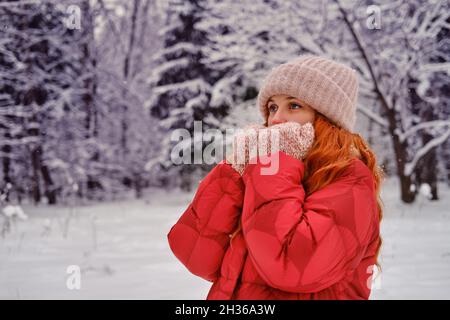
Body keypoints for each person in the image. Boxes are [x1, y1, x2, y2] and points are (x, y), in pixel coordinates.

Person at [167, 55, 384, 300]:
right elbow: (196, 256)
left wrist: (273, 163)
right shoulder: (263, 173)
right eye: (272, 107)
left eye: (293, 105)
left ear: (327, 119)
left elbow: (291, 267)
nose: (277, 119)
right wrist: (234, 172)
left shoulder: (350, 178)